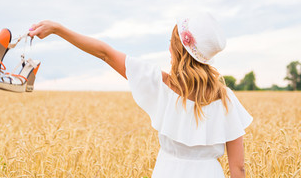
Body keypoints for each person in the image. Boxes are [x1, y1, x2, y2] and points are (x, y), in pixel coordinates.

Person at [28, 13, 253, 178]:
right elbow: (238, 167)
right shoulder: (226, 100)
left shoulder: (160, 84)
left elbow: (105, 53)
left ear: (178, 50)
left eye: (171, 43)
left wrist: (58, 29)